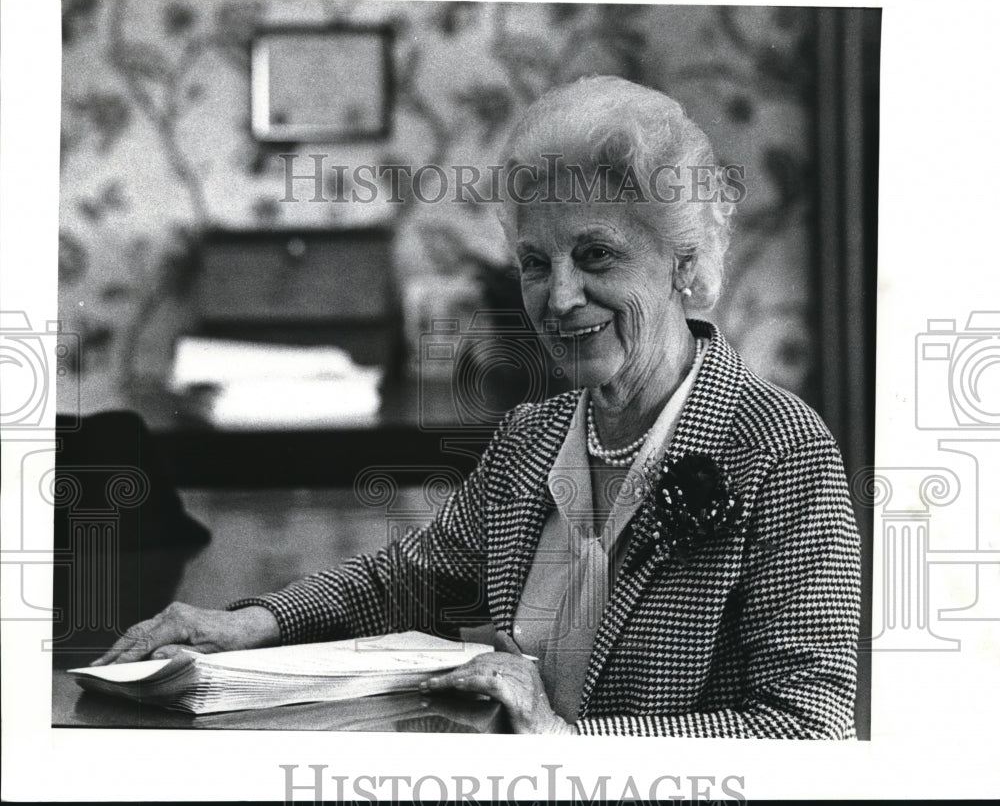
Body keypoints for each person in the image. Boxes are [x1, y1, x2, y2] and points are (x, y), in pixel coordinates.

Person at [93, 76, 862, 739]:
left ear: (683, 266)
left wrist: (563, 736)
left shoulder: (779, 447)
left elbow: (805, 724)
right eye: (535, 263)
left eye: (595, 255)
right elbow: (406, 580)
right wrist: (248, 623)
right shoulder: (534, 437)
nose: (559, 298)